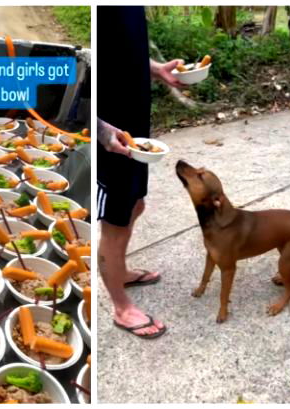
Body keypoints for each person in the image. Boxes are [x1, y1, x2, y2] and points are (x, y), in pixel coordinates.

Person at [97, 6, 185, 338]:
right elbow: (87, 70)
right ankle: (121, 307)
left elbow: (119, 52)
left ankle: (120, 271)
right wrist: (102, 132)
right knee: (115, 223)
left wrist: (155, 69)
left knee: (136, 206)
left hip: (134, 131)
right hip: (111, 137)